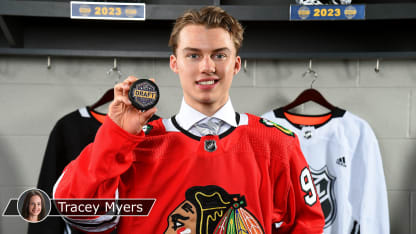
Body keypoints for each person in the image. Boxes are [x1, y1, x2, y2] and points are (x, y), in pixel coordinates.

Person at [53, 6, 325, 233]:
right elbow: (73, 208)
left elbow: (308, 226)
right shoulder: (135, 145)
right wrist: (117, 136)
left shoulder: (277, 144)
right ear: (175, 63)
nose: (207, 66)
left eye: (219, 55)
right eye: (193, 55)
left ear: (236, 64)